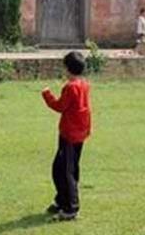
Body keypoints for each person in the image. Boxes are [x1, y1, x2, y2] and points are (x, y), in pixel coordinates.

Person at [41, 51, 92, 222]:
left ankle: (71, 207)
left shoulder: (71, 87)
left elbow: (60, 106)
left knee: (66, 171)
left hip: (71, 134)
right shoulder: (83, 84)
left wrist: (47, 95)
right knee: (61, 168)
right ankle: (61, 200)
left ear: (68, 68)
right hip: (77, 132)